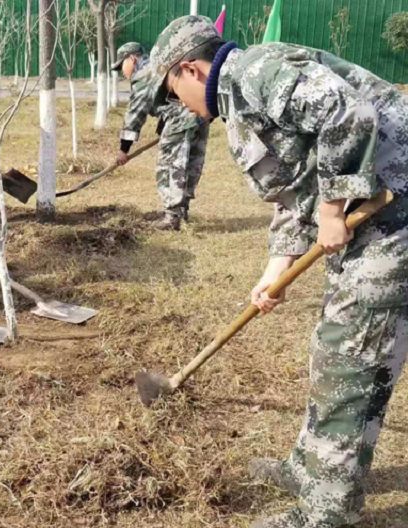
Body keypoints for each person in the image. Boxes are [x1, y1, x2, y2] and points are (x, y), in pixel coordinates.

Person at [148, 15, 408, 528]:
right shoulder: (241, 103)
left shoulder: (258, 71)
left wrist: (332, 210)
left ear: (190, 70)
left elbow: (347, 112)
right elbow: (293, 192)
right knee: (333, 349)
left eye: (172, 89)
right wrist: (275, 270)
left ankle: (328, 508)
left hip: (394, 210)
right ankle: (309, 467)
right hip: (373, 219)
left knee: (351, 358)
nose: (176, 103)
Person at [113, 41, 209, 231]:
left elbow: (135, 114)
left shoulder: (144, 74)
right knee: (190, 163)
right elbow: (167, 99)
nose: (122, 72)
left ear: (132, 58)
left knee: (169, 166)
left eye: (121, 66)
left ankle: (172, 217)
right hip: (199, 112)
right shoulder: (161, 64)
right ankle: (182, 211)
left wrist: (124, 149)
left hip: (180, 119)